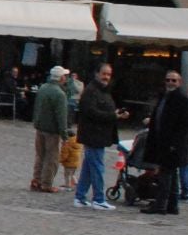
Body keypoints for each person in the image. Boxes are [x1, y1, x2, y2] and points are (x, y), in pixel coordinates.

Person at [72, 62, 126, 210]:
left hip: (100, 135)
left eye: (109, 74)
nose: (106, 77)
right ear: (97, 74)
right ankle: (99, 199)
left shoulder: (104, 91)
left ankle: (80, 196)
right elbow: (90, 112)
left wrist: (118, 114)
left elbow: (104, 110)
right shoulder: (91, 91)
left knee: (89, 167)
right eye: (104, 73)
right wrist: (112, 115)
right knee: (97, 167)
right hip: (93, 135)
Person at [143, 69, 188, 215]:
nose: (170, 82)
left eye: (173, 80)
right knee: (171, 175)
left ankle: (161, 205)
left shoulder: (181, 99)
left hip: (172, 145)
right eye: (168, 80)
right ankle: (172, 205)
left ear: (179, 82)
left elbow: (183, 125)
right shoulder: (164, 97)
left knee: (165, 175)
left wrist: (174, 144)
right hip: (161, 142)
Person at [30, 66, 69, 193]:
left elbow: (36, 107)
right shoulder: (60, 94)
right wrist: (65, 136)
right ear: (61, 78)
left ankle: (36, 180)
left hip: (40, 127)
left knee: (39, 155)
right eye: (65, 76)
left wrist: (36, 122)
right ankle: (46, 184)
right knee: (51, 158)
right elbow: (61, 117)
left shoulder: (43, 88)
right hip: (52, 130)